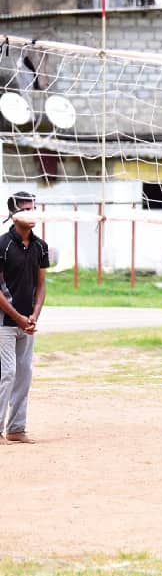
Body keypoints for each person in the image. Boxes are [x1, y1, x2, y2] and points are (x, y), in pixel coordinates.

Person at [0, 191, 48, 445]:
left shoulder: (41, 246)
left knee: (24, 374)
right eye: (25, 209)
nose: (32, 213)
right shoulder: (2, 245)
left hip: (27, 323)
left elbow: (41, 284)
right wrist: (18, 317)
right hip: (5, 323)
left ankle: (17, 428)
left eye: (34, 208)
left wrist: (33, 316)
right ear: (13, 213)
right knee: (6, 372)